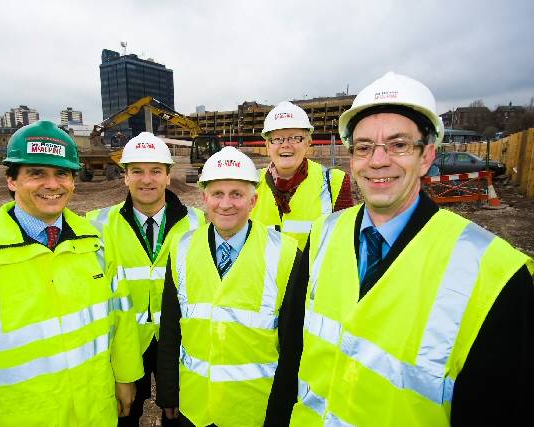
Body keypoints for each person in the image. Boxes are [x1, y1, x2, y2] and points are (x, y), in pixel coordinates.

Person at [266, 72, 534, 426]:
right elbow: (292, 361)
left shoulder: (496, 275)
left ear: (427, 156)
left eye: (398, 144)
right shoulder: (322, 237)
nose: (378, 160)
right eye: (364, 147)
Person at [0, 120, 143, 427]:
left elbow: (121, 316)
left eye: (61, 174)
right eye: (37, 173)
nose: (52, 185)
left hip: (95, 410)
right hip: (21, 416)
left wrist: (126, 377)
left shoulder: (98, 242)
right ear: (11, 180)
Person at [156, 146, 303, 427]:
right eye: (217, 194)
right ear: (204, 198)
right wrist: (169, 393)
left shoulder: (284, 253)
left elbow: (294, 342)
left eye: (236, 194)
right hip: (195, 406)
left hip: (254, 409)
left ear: (254, 200)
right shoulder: (182, 248)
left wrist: (285, 406)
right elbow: (172, 328)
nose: (226, 204)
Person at [87, 132, 205, 427]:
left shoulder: (198, 223)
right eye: (137, 171)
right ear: (125, 177)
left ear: (168, 176)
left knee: (176, 417)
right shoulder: (96, 224)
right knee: (123, 415)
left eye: (155, 171)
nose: (147, 179)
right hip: (124, 344)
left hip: (175, 343)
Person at [251, 101, 353, 249]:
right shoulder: (250, 184)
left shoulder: (335, 183)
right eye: (277, 139)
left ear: (308, 142)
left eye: (295, 138)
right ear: (267, 145)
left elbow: (346, 244)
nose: (285, 144)